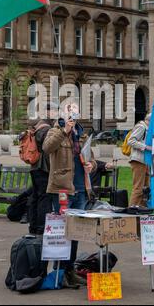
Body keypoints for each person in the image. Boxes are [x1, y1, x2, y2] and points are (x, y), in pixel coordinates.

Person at [43, 113, 96, 287]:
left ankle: (70, 270)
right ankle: (59, 272)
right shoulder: (55, 131)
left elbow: (91, 158)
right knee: (61, 232)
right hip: (62, 189)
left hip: (80, 189)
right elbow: (47, 148)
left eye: (74, 115)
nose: (72, 119)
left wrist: (91, 165)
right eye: (69, 115)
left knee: (75, 233)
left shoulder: (82, 135)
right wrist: (64, 131)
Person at [27, 103, 58, 235]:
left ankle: (33, 226)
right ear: (48, 112)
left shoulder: (38, 125)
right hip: (43, 167)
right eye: (55, 111)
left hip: (35, 167)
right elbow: (48, 148)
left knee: (35, 196)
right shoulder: (46, 129)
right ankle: (41, 227)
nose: (57, 113)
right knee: (44, 197)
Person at [128, 114, 152, 207]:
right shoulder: (141, 127)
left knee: (145, 188)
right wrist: (146, 147)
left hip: (144, 161)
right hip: (138, 160)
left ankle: (142, 210)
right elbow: (131, 141)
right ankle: (132, 210)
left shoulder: (146, 128)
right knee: (138, 188)